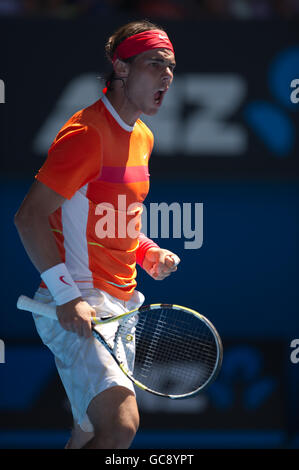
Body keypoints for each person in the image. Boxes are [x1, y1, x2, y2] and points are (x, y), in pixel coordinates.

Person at [14, 19, 179, 449]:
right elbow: (29, 217)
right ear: (121, 69)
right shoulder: (86, 134)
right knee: (121, 425)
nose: (166, 76)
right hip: (78, 304)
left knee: (88, 434)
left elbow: (114, 217)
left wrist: (147, 252)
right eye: (154, 64)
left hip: (121, 308)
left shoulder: (142, 136)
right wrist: (67, 296)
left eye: (171, 67)